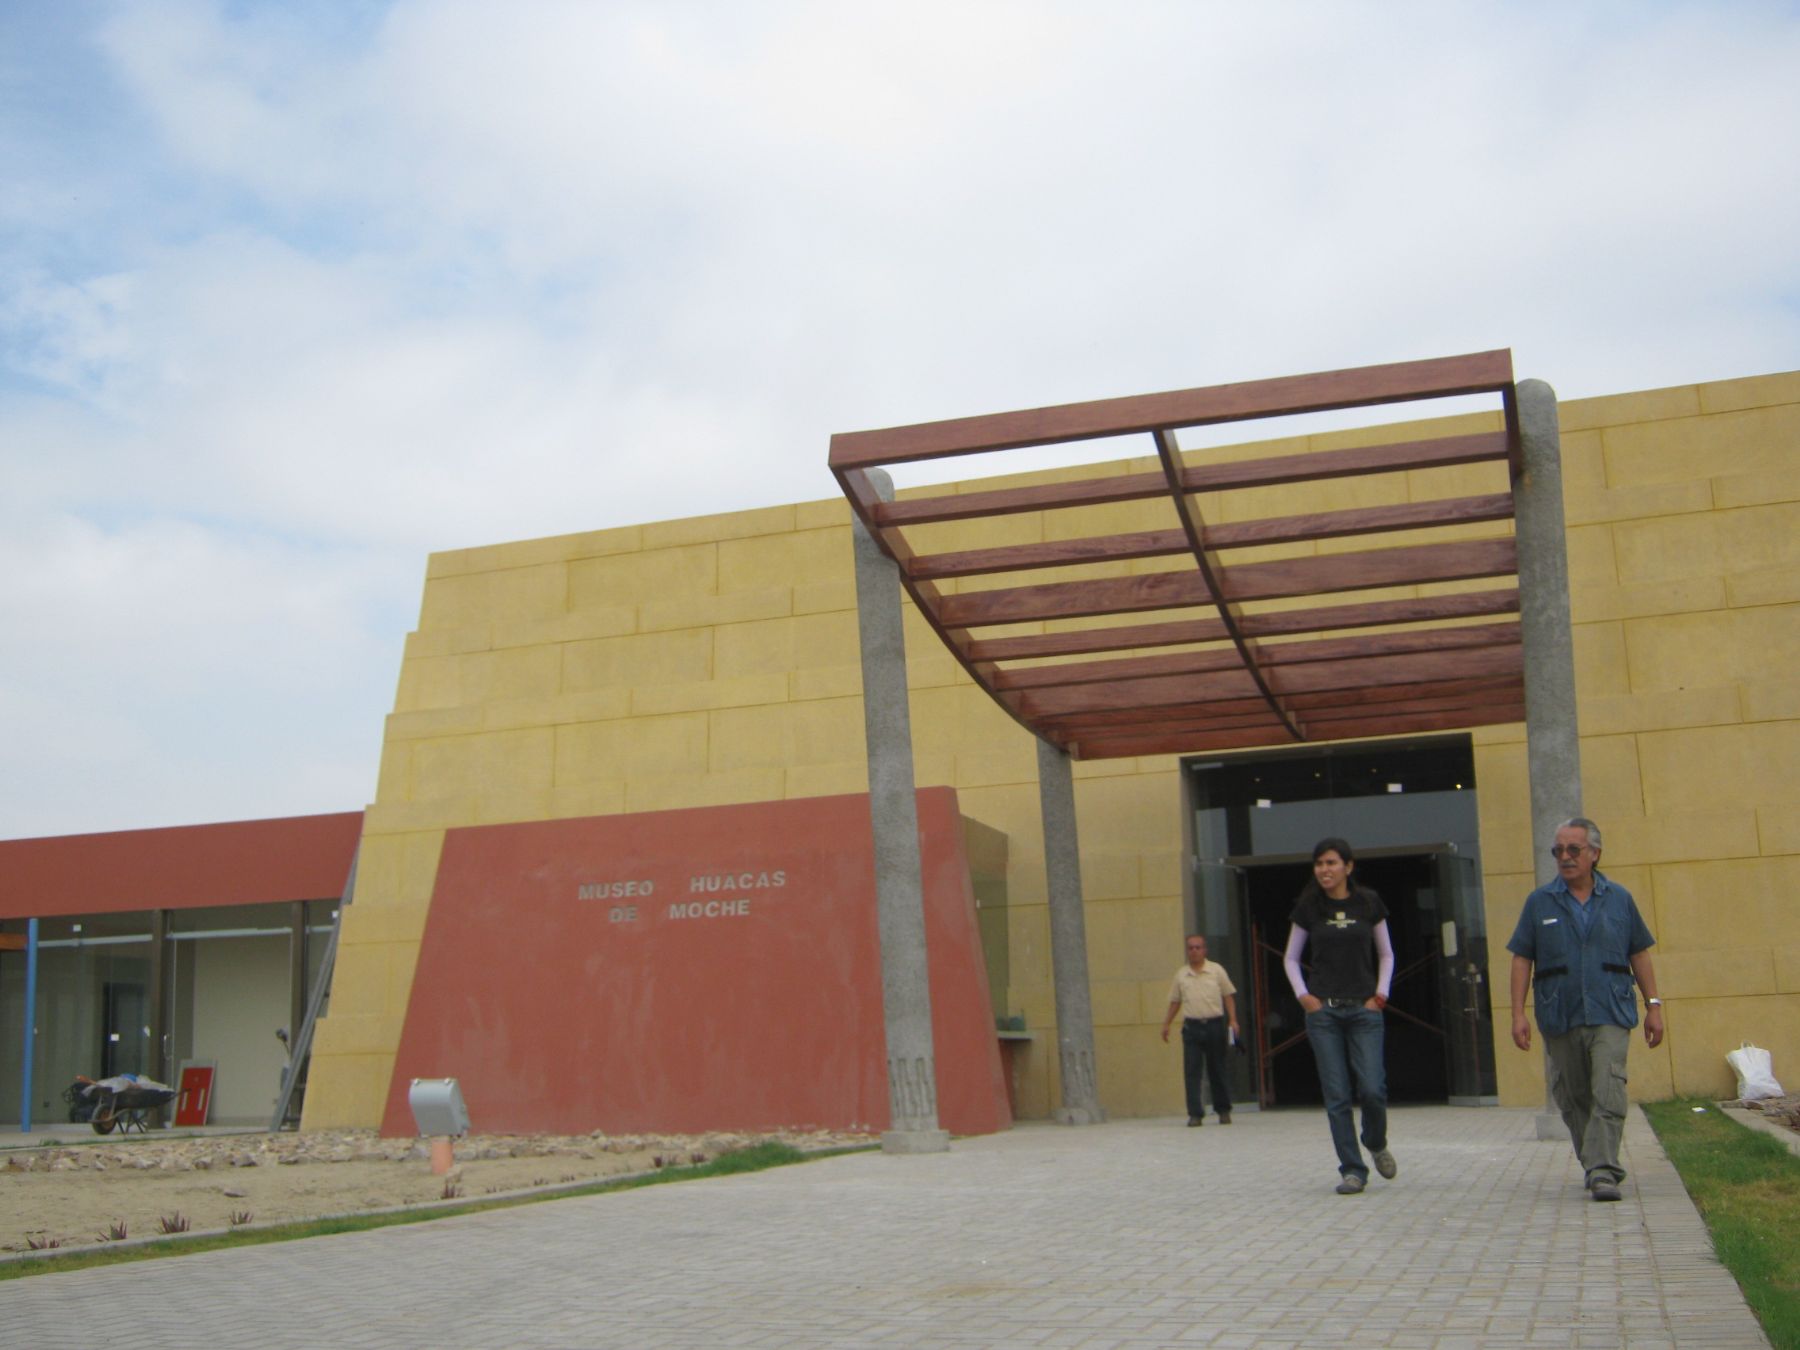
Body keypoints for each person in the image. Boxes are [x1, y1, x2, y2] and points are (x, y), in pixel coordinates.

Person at [1507, 816, 1663, 1203]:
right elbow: (1521, 959)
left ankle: (1602, 1170)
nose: (1564, 857)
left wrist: (1654, 1005)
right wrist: (1517, 1014)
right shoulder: (1539, 902)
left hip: (1610, 1009)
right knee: (1574, 1097)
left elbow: (1639, 952)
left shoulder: (1620, 899)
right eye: (1558, 850)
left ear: (1594, 854)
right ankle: (1595, 1163)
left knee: (1609, 1089)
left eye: (1573, 849)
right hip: (1559, 1013)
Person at [1283, 837, 1396, 1194]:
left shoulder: (1368, 903)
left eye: (1331, 863)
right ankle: (1352, 1169)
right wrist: (1304, 996)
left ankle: (1375, 1142)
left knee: (1373, 1089)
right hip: (1324, 1014)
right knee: (1337, 1095)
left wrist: (1381, 993)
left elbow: (1387, 954)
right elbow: (1290, 958)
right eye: (1319, 864)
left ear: (1348, 867)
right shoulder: (1308, 908)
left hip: (1364, 1010)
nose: (1324, 870)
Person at [1160, 935, 1240, 1126]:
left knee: (1217, 1069)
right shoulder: (1181, 975)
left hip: (1214, 1025)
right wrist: (1166, 1024)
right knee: (1192, 1071)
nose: (1194, 951)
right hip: (1192, 1027)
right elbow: (1175, 1001)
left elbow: (1228, 996)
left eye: (1198, 947)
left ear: (1205, 950)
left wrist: (1233, 1020)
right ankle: (1195, 1114)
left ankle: (1223, 1110)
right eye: (1190, 948)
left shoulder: (1216, 970)